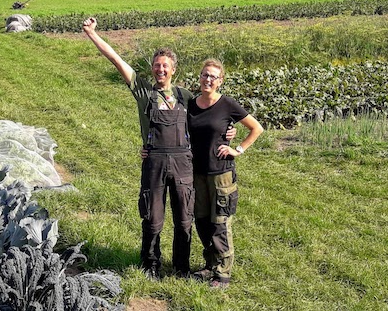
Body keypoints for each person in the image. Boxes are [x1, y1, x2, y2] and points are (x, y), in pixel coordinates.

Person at [82, 17, 236, 279]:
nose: (160, 70)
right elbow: (117, 60)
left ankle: (181, 267)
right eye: (156, 66)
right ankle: (150, 264)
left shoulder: (186, 96)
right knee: (153, 219)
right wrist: (92, 33)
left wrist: (229, 132)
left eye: (165, 66)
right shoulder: (143, 92)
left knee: (184, 220)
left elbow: (212, 115)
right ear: (152, 69)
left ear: (173, 70)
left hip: (182, 164)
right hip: (153, 162)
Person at [187, 58, 264, 289]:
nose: (207, 79)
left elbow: (256, 128)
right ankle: (210, 264)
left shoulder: (227, 104)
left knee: (220, 222)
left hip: (221, 173)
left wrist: (237, 149)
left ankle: (223, 273)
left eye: (213, 76)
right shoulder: (191, 104)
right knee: (201, 220)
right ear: (199, 77)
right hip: (196, 172)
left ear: (220, 81)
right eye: (204, 74)